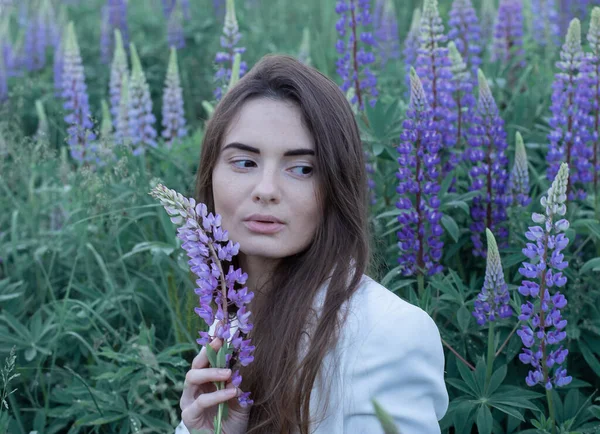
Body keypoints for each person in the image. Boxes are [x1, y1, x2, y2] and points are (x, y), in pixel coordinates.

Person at [175, 54, 449, 434]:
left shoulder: (390, 334)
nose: (266, 190)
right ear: (210, 175)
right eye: (244, 162)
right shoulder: (230, 321)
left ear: (336, 187)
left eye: (302, 169)